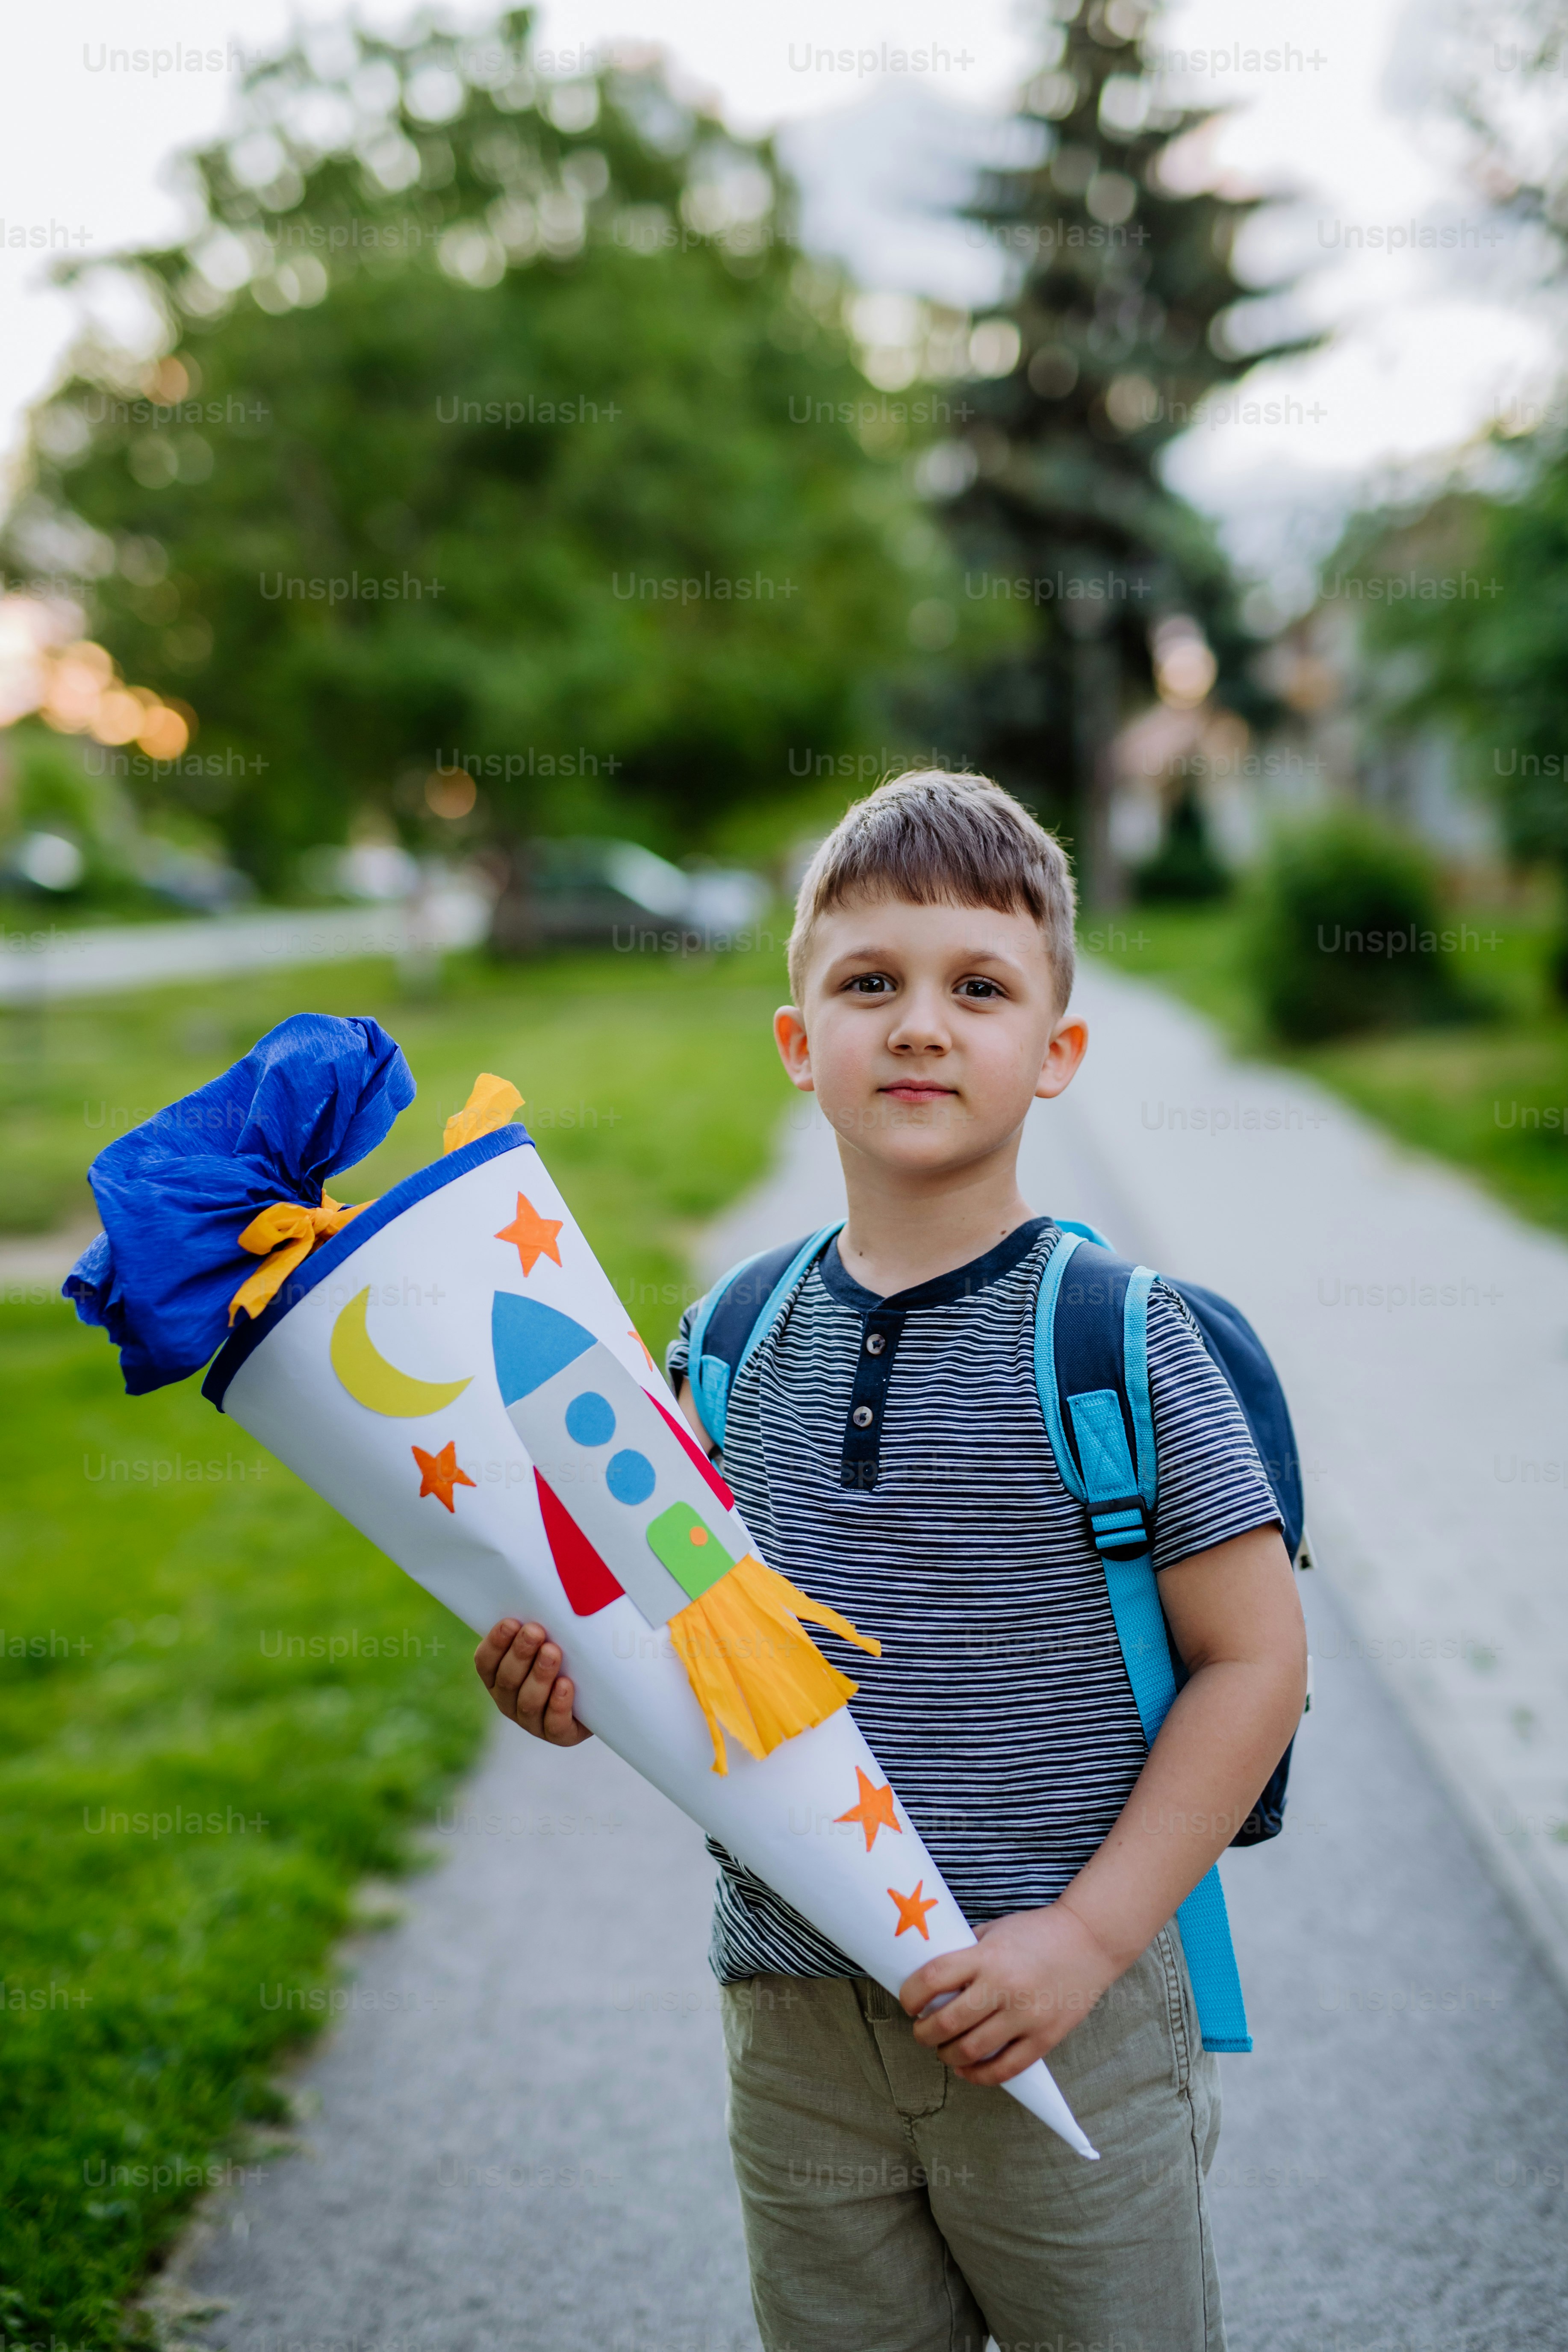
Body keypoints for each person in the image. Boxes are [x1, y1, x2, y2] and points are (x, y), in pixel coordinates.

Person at [474, 771, 1309, 2352]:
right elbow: (675, 1623)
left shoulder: (1119, 1342)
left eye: (976, 988)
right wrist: (567, 1676)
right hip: (792, 2015)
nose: (919, 1025)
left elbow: (1256, 1662)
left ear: (1055, 1053)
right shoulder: (721, 1345)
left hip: (1063, 2008)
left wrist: (1085, 1940)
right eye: (869, 984)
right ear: (799, 1044)